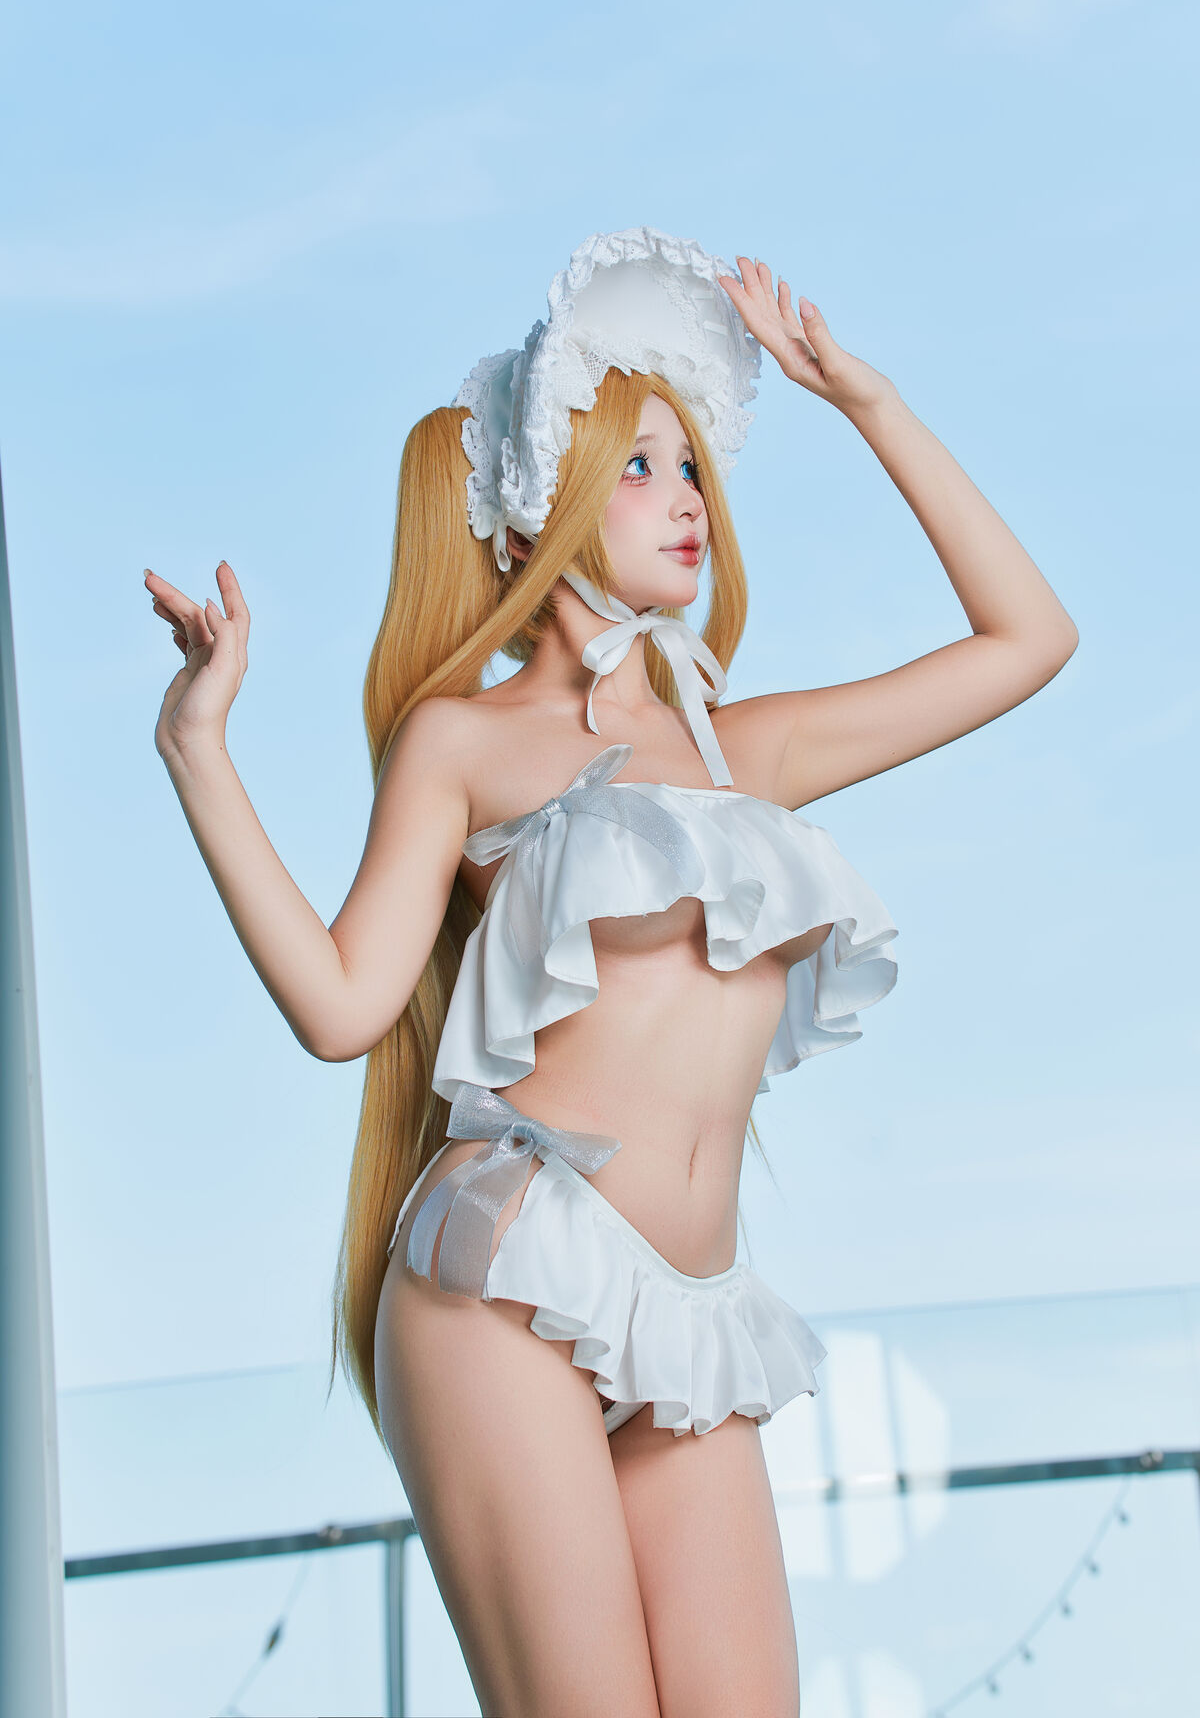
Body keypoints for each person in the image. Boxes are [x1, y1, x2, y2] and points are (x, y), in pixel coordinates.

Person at [143, 226, 1078, 1718]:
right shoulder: (467, 741)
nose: (686, 496)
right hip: (500, 1289)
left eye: (690, 463)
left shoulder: (746, 751)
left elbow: (1029, 638)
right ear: (534, 514)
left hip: (692, 1313)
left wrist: (867, 400)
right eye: (636, 465)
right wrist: (199, 747)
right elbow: (340, 1007)